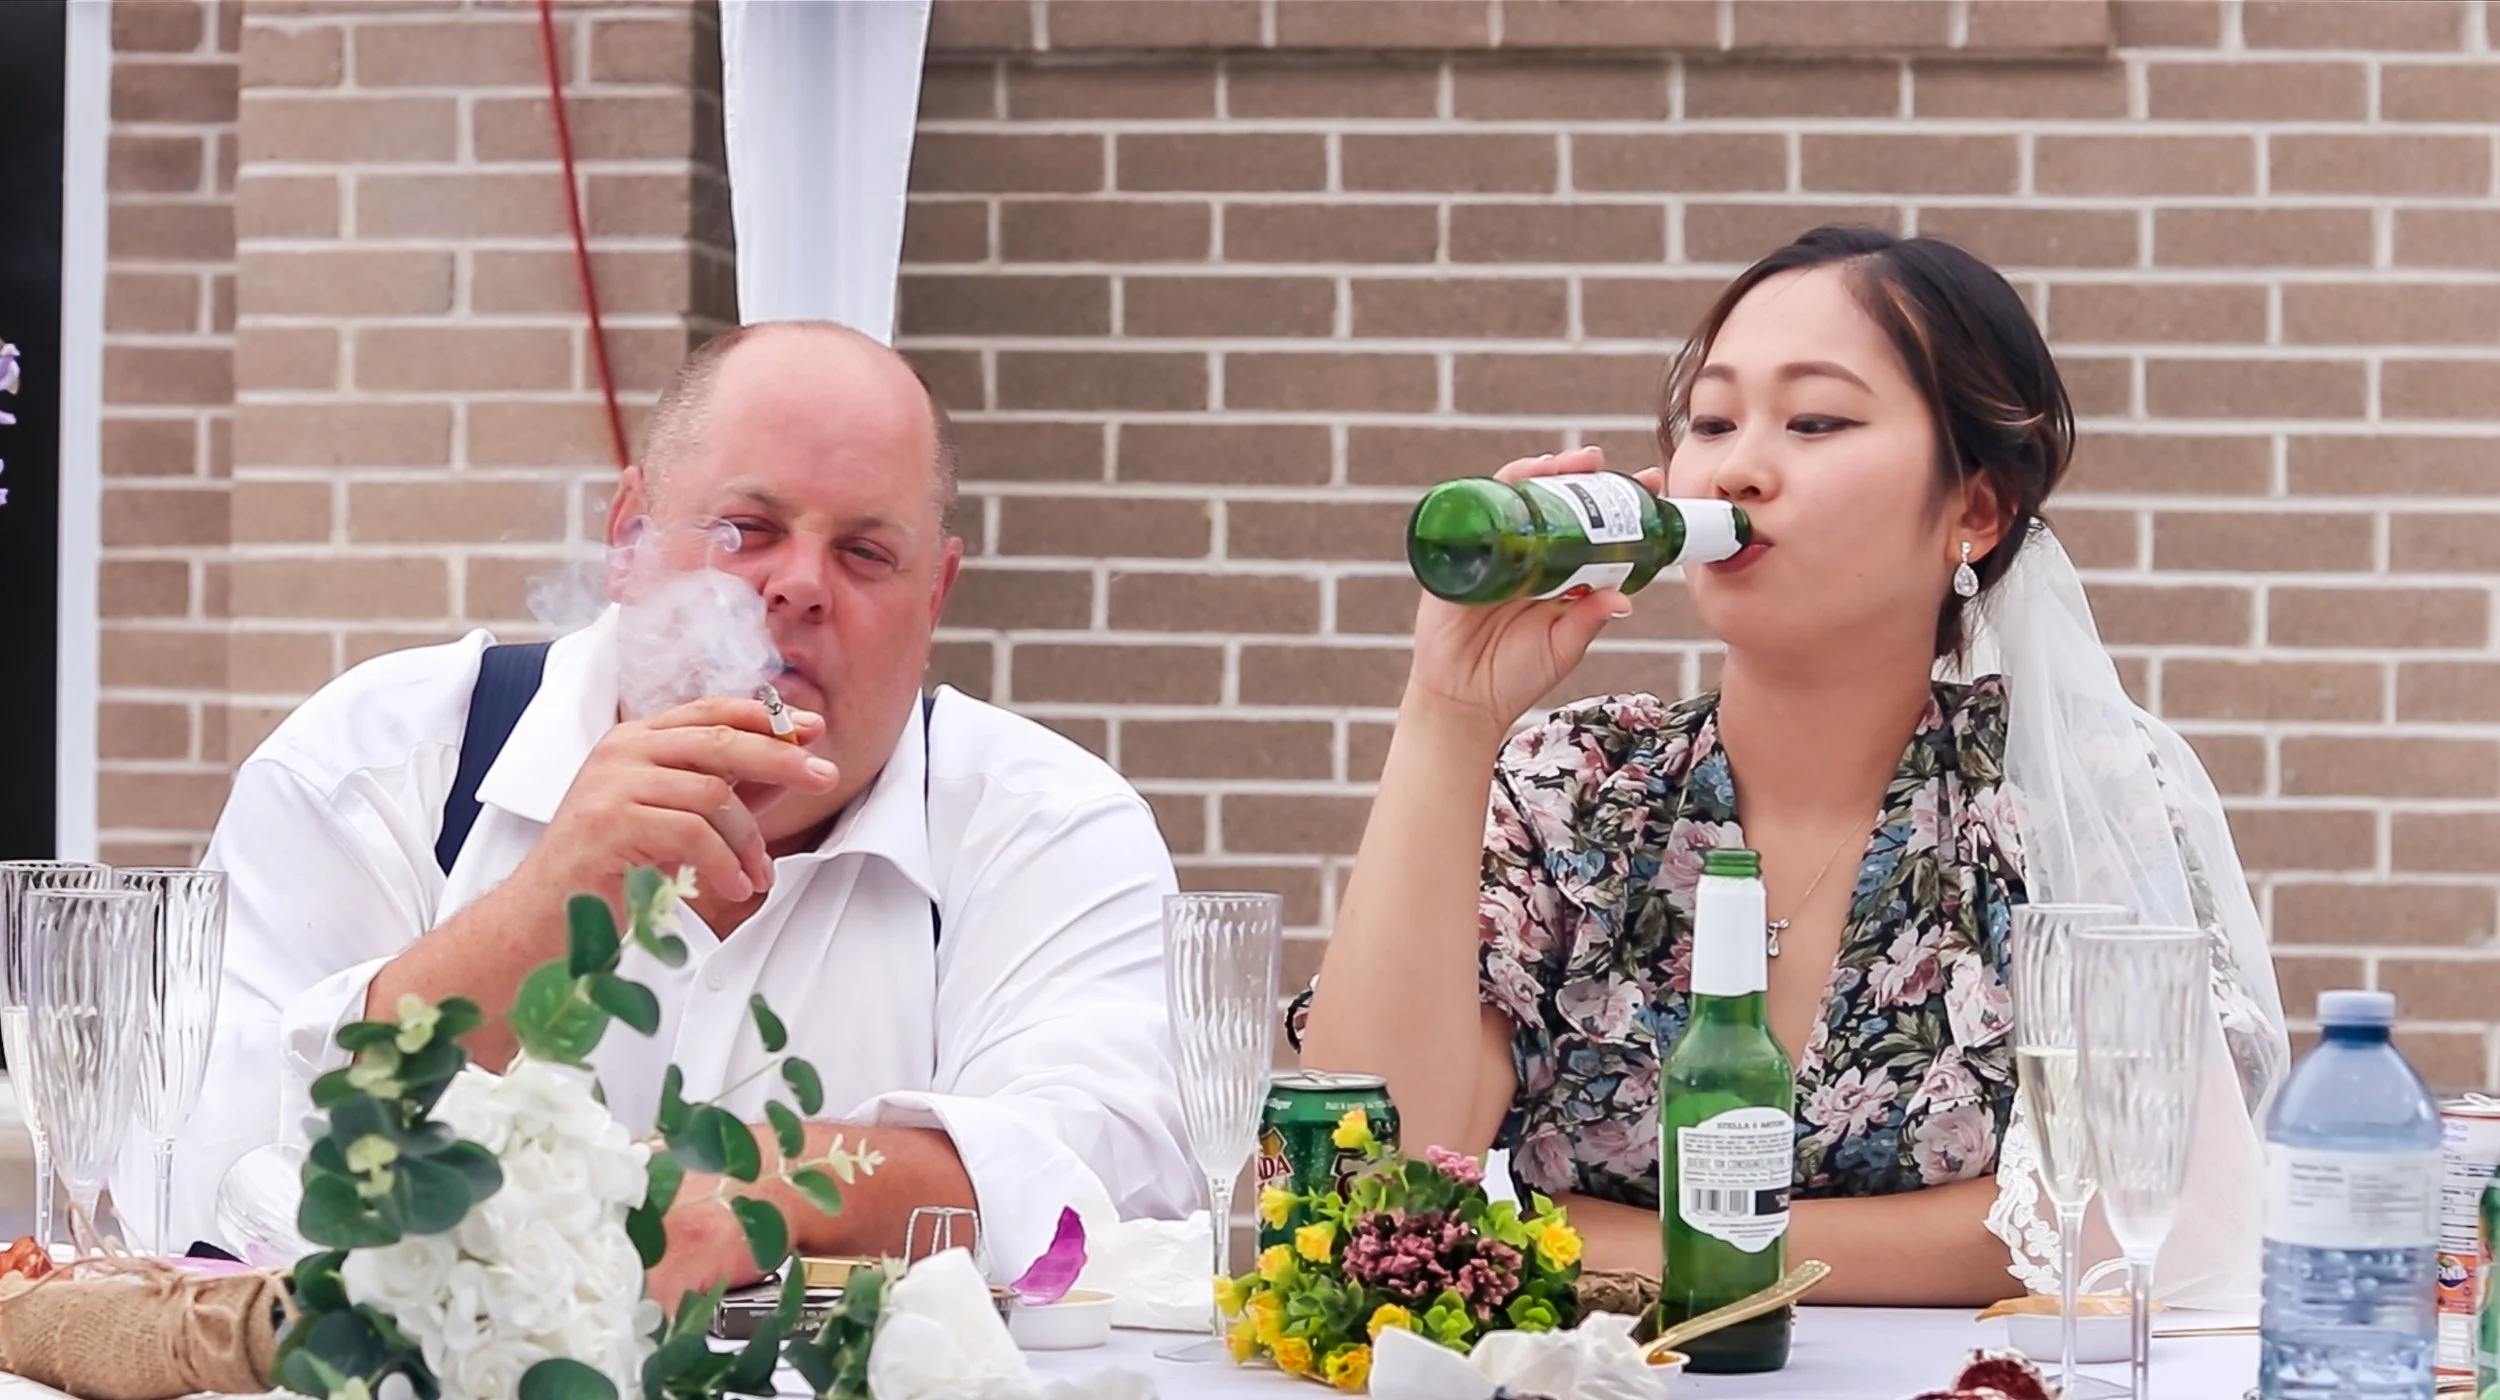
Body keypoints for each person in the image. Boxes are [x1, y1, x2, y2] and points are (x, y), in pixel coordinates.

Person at [1295, 226, 2289, 1308]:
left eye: (1814, 420)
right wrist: (1447, 712)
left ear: (1976, 506)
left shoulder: (2070, 786)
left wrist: (1633, 1245)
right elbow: (1372, 1166)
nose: (1736, 465)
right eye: (1711, 421)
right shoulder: (1577, 783)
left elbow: (2130, 1210)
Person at [160, 321, 1197, 1301]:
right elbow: (197, 1173)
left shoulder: (1042, 824)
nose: (798, 586)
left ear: (934, 598)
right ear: (628, 538)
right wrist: (540, 906)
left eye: (865, 553)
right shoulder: (376, 766)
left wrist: (771, 1183)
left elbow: (1120, 1173)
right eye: (746, 530)